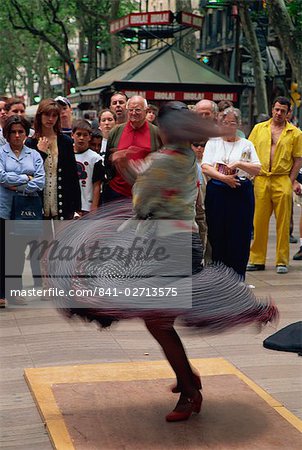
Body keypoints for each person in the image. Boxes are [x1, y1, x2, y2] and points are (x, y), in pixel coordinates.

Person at [50, 102, 277, 423]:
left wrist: (125, 167)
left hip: (165, 246)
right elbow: (146, 186)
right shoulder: (183, 158)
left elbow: (142, 200)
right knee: (161, 319)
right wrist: (130, 168)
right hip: (178, 241)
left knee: (158, 320)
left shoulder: (165, 160)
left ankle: (190, 389)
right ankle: (189, 378)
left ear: (167, 131)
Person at [202, 107, 261, 278]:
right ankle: (220, 277)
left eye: (232, 123)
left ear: (239, 125)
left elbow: (257, 168)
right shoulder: (213, 142)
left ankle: (237, 277)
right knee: (217, 233)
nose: (228, 127)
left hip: (241, 191)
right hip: (218, 191)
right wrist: (223, 177)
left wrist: (238, 164)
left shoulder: (246, 144)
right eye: (225, 123)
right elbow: (205, 166)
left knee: (240, 235)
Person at [247, 97, 302, 274]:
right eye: (276, 109)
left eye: (283, 111)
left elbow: (298, 158)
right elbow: (248, 151)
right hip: (262, 178)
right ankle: (257, 259)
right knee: (259, 220)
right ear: (272, 109)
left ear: (288, 113)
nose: (279, 113)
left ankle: (281, 260)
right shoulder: (259, 129)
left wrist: (291, 180)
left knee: (283, 221)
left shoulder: (295, 133)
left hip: (282, 178)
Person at [0, 115, 45, 307]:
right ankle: (1, 293)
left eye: (21, 132)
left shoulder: (33, 155)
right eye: (13, 132)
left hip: (25, 209)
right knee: (3, 252)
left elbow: (40, 181)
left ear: (26, 134)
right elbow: (1, 177)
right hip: (4, 208)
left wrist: (19, 184)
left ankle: (14, 292)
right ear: (7, 134)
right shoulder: (1, 153)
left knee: (18, 253)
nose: (17, 136)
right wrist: (26, 178)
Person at [26, 99, 81, 221]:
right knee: (41, 240)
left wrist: (77, 207)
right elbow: (29, 174)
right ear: (39, 116)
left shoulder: (65, 141)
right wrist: (40, 153)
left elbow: (72, 175)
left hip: (63, 202)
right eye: (47, 115)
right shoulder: (31, 143)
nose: (50, 119)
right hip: (38, 202)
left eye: (54, 115)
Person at [103, 95, 161, 202]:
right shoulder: (116, 132)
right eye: (131, 110)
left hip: (145, 194)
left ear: (146, 111)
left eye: (138, 110)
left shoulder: (156, 133)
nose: (133, 113)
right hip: (118, 192)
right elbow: (108, 161)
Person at [72, 119, 102, 215]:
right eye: (78, 134)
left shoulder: (95, 158)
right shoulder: (66, 154)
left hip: (87, 205)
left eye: (85, 135)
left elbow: (97, 184)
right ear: (72, 135)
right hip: (70, 204)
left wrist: (94, 206)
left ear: (89, 137)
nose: (81, 138)